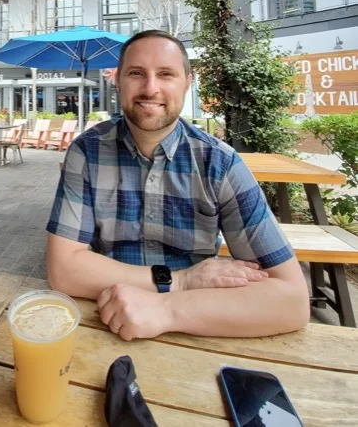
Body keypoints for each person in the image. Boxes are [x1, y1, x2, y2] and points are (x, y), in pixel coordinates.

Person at [46, 31, 309, 341]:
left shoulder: (220, 163)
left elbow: (292, 301)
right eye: (136, 73)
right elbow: (63, 270)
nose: (150, 88)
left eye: (166, 74)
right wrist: (181, 281)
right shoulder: (87, 152)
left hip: (199, 327)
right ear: (118, 81)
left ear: (188, 82)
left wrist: (165, 308)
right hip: (106, 319)